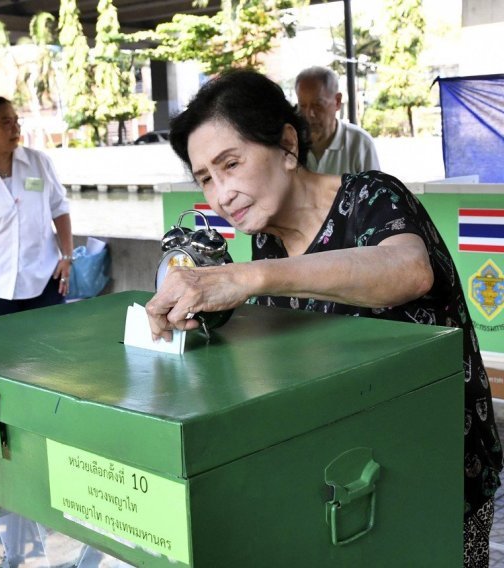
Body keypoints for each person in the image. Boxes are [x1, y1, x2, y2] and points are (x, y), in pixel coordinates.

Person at [145, 69, 502, 568]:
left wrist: (249, 278)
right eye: (206, 177)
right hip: (355, 473)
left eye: (231, 163)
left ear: (287, 146)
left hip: (438, 464)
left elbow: (407, 270)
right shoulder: (268, 237)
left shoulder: (372, 198)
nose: (221, 193)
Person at [0, 95, 74, 319]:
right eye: (6, 122)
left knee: (53, 347)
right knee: (3, 352)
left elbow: (59, 208)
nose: (15, 128)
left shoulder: (39, 163)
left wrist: (67, 256)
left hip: (45, 277)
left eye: (17, 121)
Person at [294, 66, 379, 175]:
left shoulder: (360, 144)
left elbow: (373, 190)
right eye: (303, 106)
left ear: (337, 101)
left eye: (318, 105)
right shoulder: (291, 144)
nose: (309, 114)